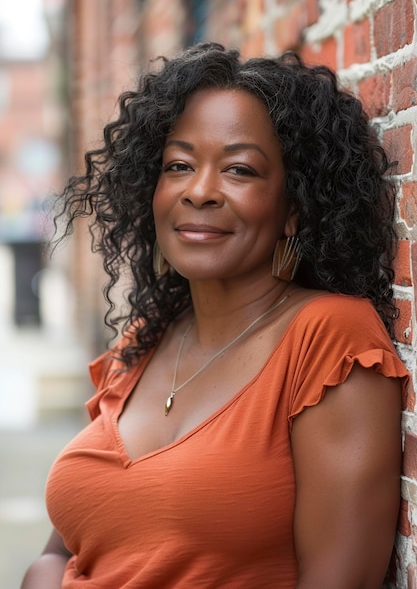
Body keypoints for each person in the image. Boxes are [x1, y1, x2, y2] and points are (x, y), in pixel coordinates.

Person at [21, 42, 409, 589]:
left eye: (240, 170)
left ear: (293, 208)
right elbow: (62, 550)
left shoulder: (328, 341)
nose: (199, 191)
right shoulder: (144, 341)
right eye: (178, 165)